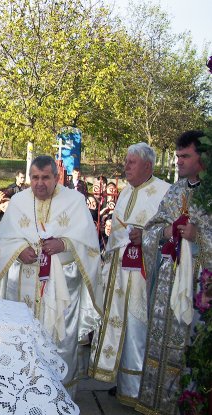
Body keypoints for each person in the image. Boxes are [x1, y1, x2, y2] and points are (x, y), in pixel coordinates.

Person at [0, 155, 101, 397]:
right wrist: (19, 250)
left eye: (45, 178)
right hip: (23, 285)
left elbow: (90, 246)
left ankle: (59, 397)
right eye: (35, 177)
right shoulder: (19, 201)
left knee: (60, 341)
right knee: (22, 341)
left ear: (57, 178)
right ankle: (19, 393)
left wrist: (64, 243)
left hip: (61, 287)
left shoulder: (74, 201)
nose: (39, 183)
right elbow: (1, 242)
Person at [88, 143, 170, 406]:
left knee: (138, 329)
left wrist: (145, 236)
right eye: (125, 161)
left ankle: (138, 391)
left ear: (148, 165)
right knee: (121, 327)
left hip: (144, 277)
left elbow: (170, 233)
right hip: (120, 273)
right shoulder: (124, 193)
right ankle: (124, 384)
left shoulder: (164, 192)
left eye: (131, 162)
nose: (125, 167)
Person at [135, 131, 211, 415]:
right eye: (177, 156)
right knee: (159, 344)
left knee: (189, 349)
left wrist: (198, 236)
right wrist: (166, 231)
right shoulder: (176, 190)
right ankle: (156, 404)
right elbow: (152, 230)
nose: (178, 161)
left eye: (185, 156)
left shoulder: (210, 193)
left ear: (202, 157)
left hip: (198, 287)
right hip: (167, 283)